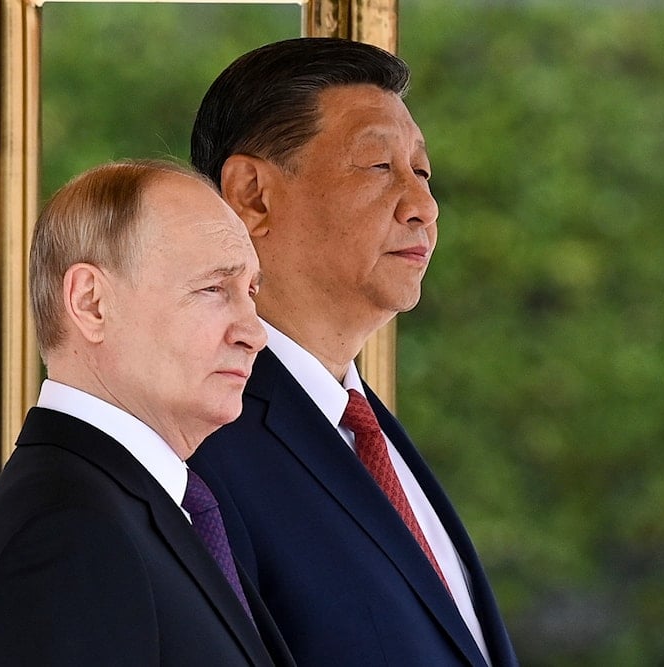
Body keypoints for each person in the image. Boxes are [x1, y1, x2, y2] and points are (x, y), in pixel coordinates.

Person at [188, 38, 518, 666]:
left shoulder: (367, 430)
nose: (423, 206)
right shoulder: (197, 442)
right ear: (253, 194)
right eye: (377, 168)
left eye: (421, 172)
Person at [0, 160, 295, 666]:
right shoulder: (67, 533)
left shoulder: (135, 509)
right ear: (91, 303)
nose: (255, 332)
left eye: (250, 292)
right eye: (213, 289)